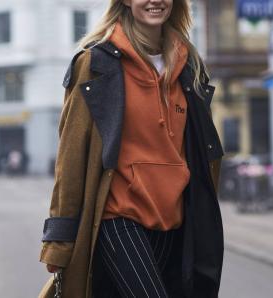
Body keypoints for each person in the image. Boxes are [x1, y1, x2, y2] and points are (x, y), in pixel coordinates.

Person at [39, 0, 225, 297]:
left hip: (175, 220)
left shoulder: (189, 65)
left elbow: (198, 150)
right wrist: (58, 240)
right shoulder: (96, 64)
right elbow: (71, 156)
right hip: (119, 217)